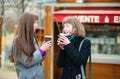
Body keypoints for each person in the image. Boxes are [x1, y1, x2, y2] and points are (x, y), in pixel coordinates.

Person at [9, 12, 52, 79]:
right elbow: (27, 62)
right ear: (27, 24)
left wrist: (43, 50)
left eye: (37, 23)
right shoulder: (18, 41)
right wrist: (41, 50)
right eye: (34, 23)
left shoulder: (32, 38)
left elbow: (37, 60)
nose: (37, 25)